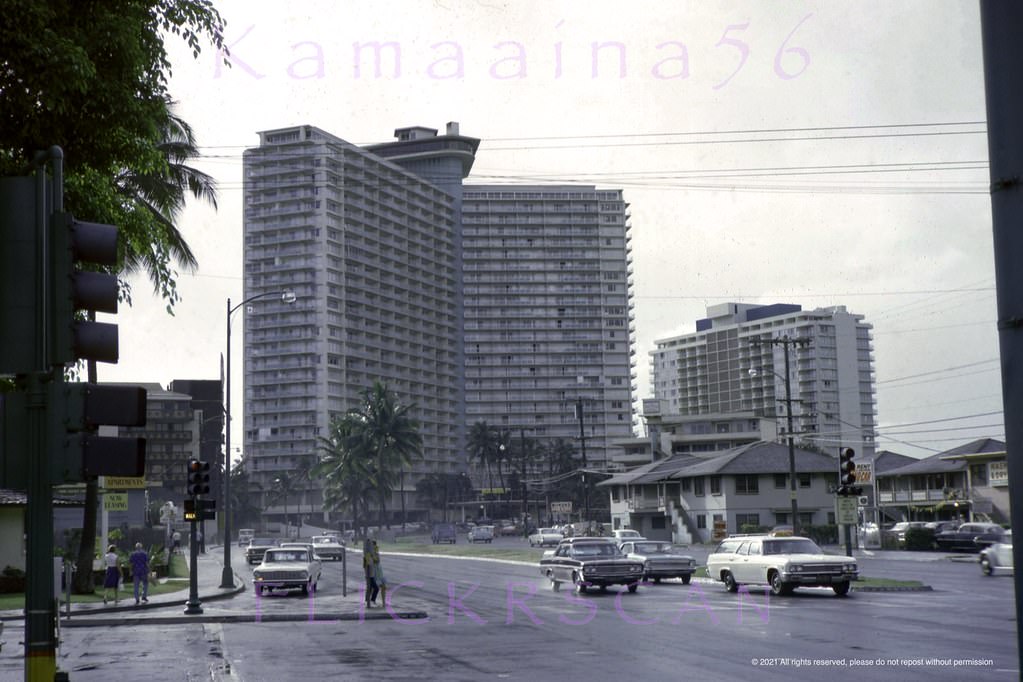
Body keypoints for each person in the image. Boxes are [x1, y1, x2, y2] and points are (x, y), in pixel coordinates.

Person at [362, 538, 380, 607]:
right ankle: (371, 600)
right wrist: (373, 555)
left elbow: (377, 561)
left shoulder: (372, 554)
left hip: (372, 574)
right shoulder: (367, 555)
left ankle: (368, 600)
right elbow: (366, 564)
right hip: (369, 575)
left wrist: (376, 552)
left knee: (370, 588)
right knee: (375, 588)